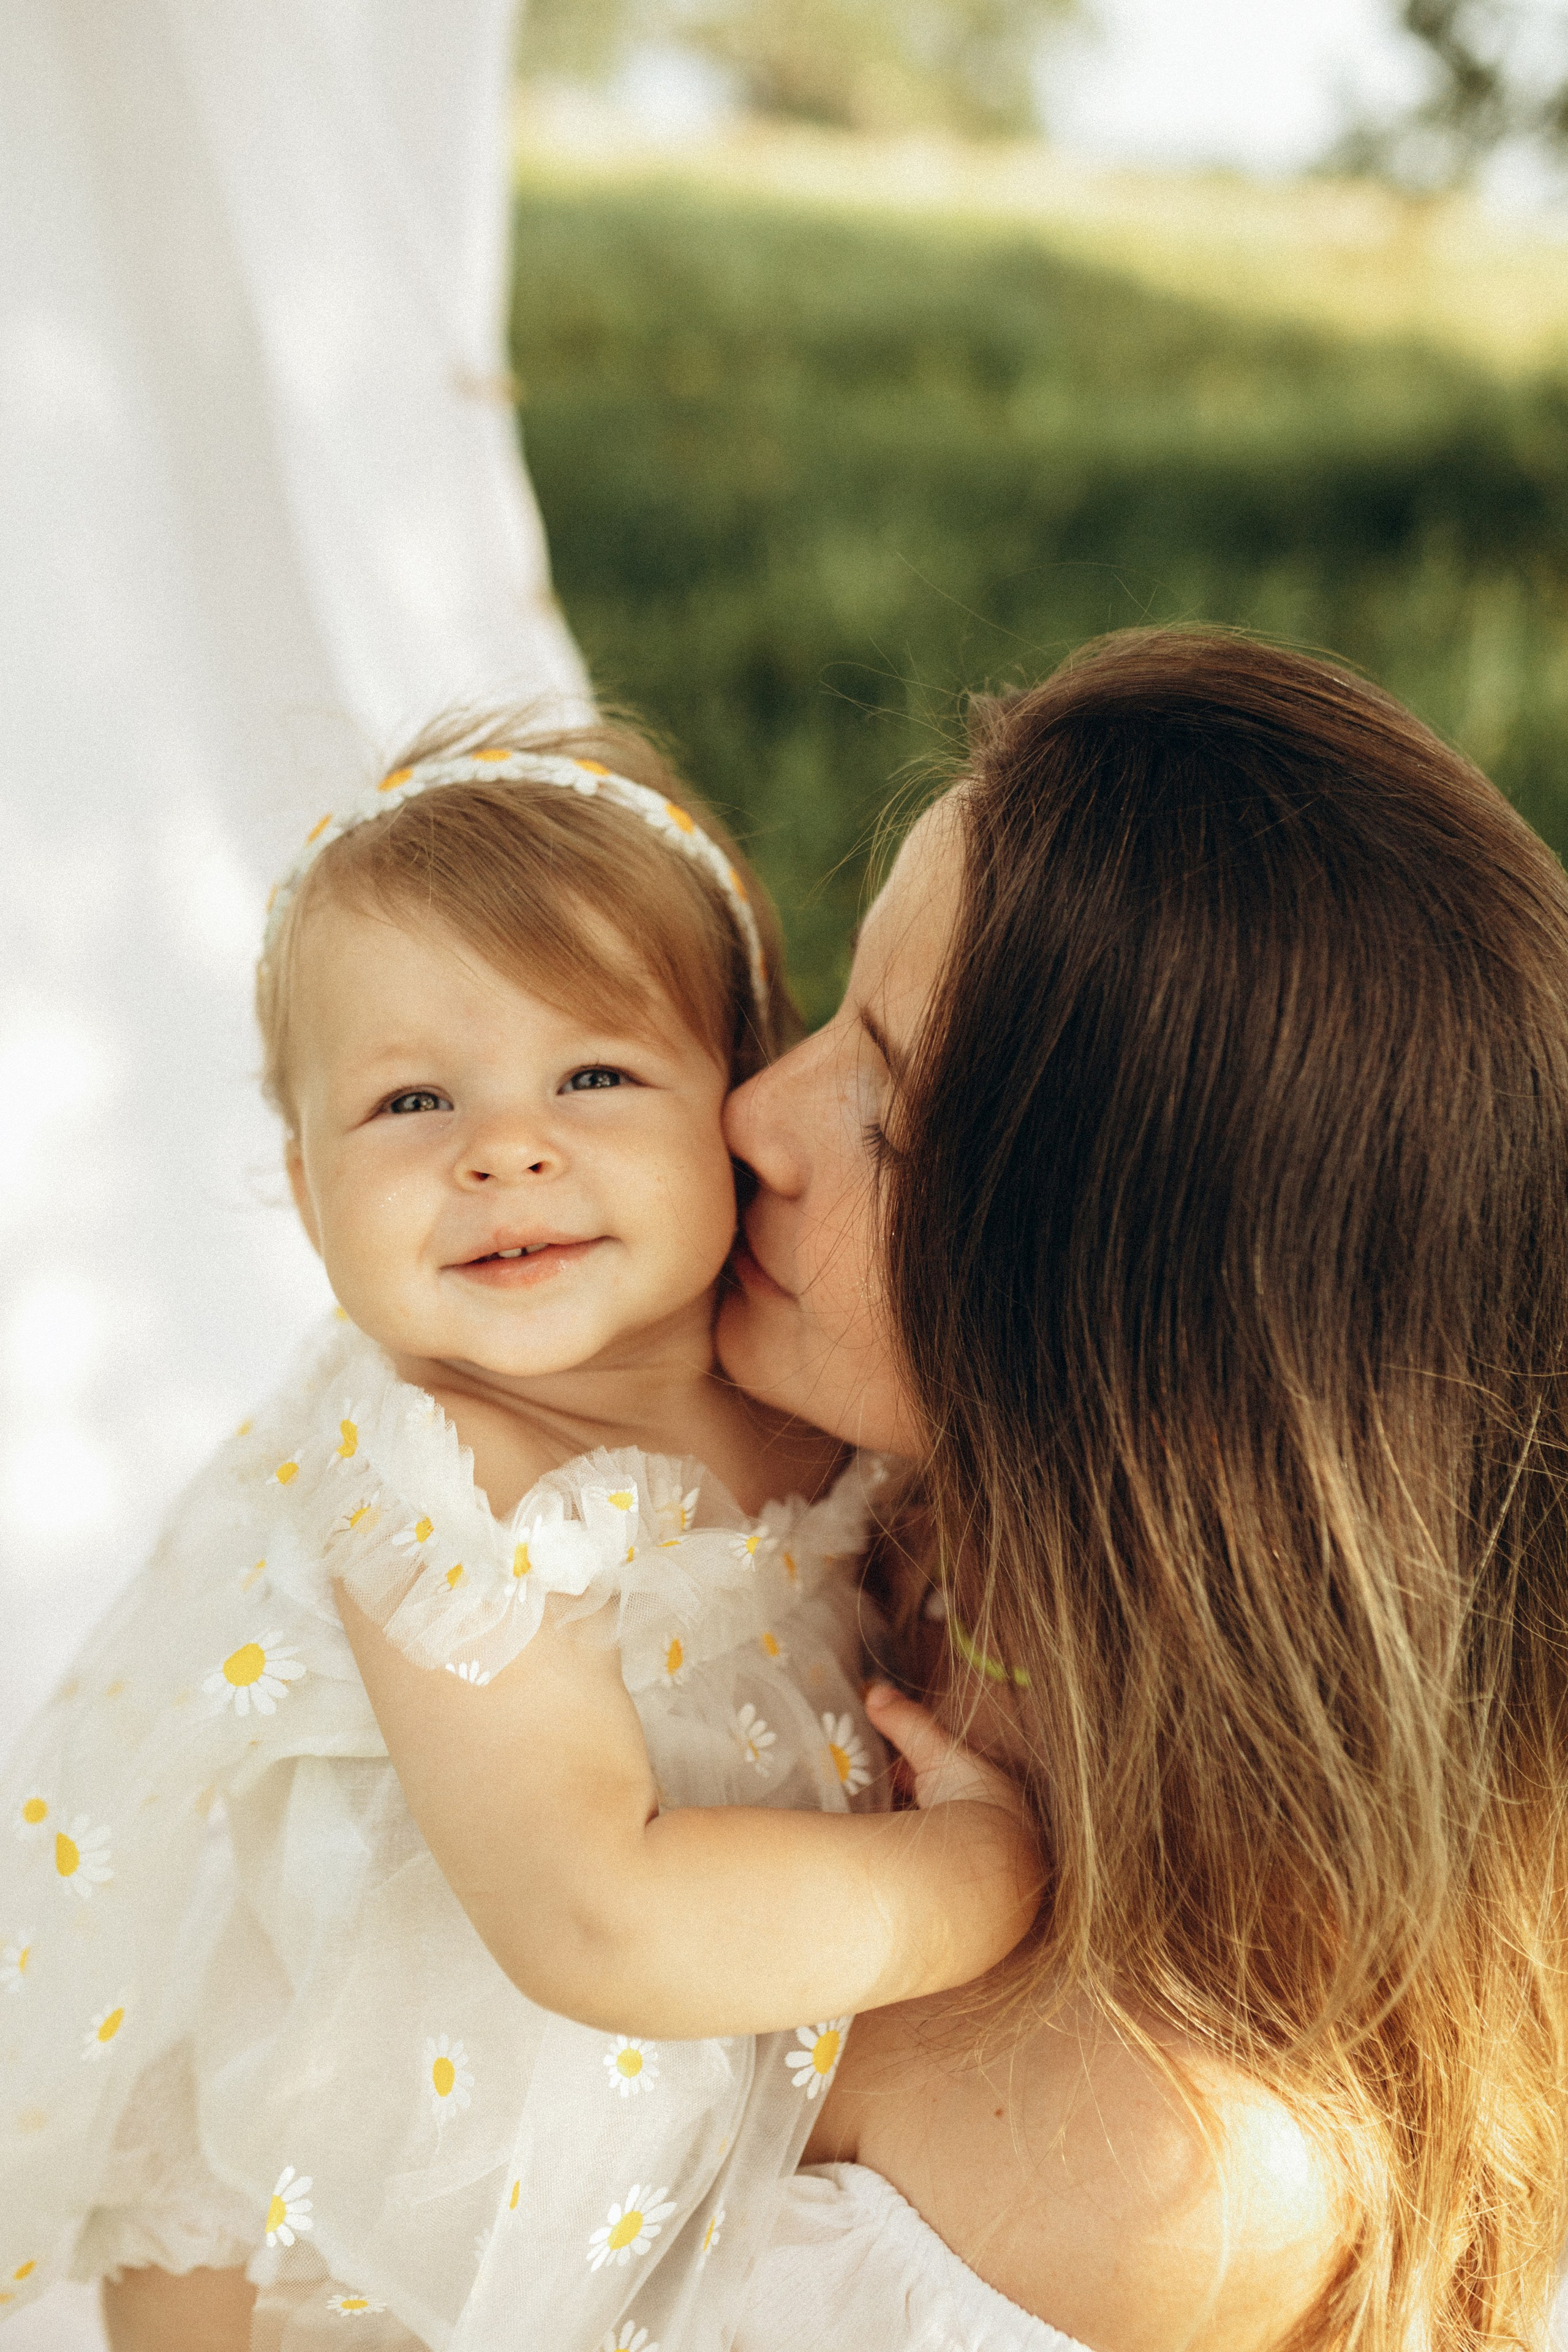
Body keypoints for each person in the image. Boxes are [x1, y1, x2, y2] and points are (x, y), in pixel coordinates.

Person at [0, 720, 1035, 2352]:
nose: (501, 1148)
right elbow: (592, 1911)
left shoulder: (835, 1400)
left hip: (640, 2131)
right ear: (302, 1181)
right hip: (341, 2185)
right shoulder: (429, 1481)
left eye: (594, 1076)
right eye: (410, 1100)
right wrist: (970, 1880)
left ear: (738, 1103)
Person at [718, 628, 1568, 2352]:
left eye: (889, 1121)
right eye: (833, 1009)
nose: (750, 1114)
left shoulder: (1155, 2159)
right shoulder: (888, 1507)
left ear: (1142, 1346)